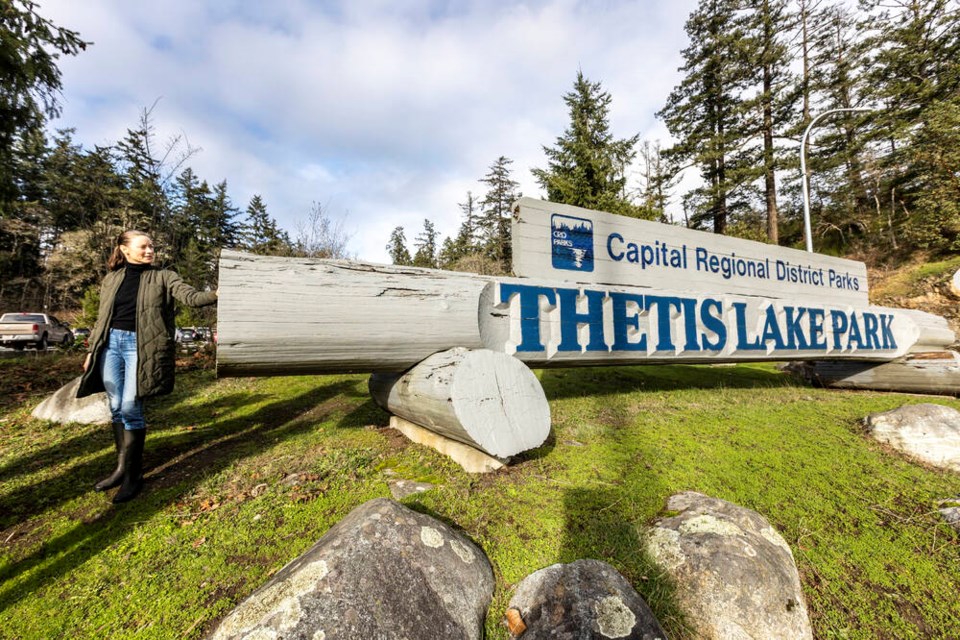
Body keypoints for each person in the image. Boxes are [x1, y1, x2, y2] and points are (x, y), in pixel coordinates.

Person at [77, 230, 218, 503]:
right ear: (125, 249)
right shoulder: (112, 279)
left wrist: (216, 294)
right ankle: (121, 468)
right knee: (116, 406)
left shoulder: (164, 276)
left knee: (131, 407)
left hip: (140, 347)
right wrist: (93, 350)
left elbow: (191, 297)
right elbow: (101, 318)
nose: (150, 250)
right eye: (144, 246)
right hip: (110, 346)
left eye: (152, 246)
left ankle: (133, 477)